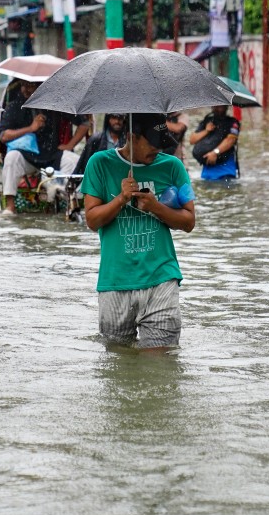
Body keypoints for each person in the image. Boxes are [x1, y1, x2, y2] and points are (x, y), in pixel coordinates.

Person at [81, 113, 196, 352]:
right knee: (120, 370)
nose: (158, 148)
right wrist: (121, 199)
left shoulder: (172, 166)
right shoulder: (99, 163)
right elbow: (92, 220)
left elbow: (188, 221)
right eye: (152, 141)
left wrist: (156, 207)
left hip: (161, 278)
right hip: (115, 281)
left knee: (159, 372)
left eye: (162, 141)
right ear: (132, 136)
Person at [0, 79, 91, 213]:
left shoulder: (55, 104)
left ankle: (70, 202)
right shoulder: (14, 106)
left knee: (74, 161)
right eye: (23, 85)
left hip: (52, 155)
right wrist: (31, 128)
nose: (25, 90)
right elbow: (3, 136)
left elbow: (85, 124)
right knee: (11, 157)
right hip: (26, 156)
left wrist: (69, 145)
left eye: (30, 86)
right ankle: (10, 206)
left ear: (40, 88)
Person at [190, 105, 241, 180]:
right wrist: (206, 131)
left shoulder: (232, 122)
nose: (216, 108)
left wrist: (215, 152)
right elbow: (192, 140)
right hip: (207, 172)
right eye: (215, 106)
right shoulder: (207, 121)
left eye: (220, 106)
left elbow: (231, 140)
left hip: (226, 170)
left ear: (226, 107)